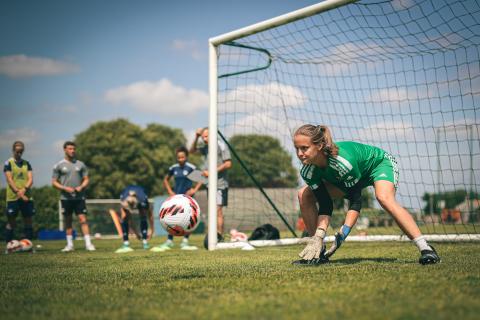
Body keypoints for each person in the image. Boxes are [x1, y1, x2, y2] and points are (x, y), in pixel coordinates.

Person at [292, 124, 440, 265]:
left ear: (319, 146)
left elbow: (355, 200)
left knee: (384, 198)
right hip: (352, 176)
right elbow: (325, 203)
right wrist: (319, 235)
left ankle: (425, 248)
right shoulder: (307, 171)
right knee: (304, 194)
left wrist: (343, 233)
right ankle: (317, 250)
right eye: (296, 148)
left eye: (304, 148)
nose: (299, 154)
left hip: (377, 164)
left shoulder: (342, 163)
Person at [151, 147, 202, 252]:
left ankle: (185, 241)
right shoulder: (173, 168)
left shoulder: (191, 167)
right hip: (176, 199)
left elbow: (201, 178)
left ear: (186, 157)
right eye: (178, 157)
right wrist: (170, 191)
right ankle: (169, 241)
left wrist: (194, 189)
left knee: (188, 220)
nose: (180, 159)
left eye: (182, 157)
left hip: (188, 199)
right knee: (171, 218)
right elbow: (165, 180)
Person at [52, 141, 95, 252]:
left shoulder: (81, 164)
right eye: (70, 149)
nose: (72, 151)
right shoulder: (59, 165)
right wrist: (65, 188)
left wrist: (81, 186)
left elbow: (86, 179)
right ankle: (69, 245)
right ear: (65, 150)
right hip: (66, 198)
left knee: (83, 219)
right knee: (68, 221)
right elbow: (54, 182)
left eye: (74, 149)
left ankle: (88, 244)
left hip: (79, 198)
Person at [190, 127, 232, 243]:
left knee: (218, 211)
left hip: (220, 184)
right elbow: (191, 151)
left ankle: (220, 237)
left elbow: (228, 163)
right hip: (209, 185)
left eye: (206, 136)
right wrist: (196, 137)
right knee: (212, 211)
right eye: (203, 137)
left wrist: (212, 171)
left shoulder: (221, 145)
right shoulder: (205, 147)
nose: (204, 139)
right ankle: (214, 237)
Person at [3, 141, 35, 252]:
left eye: (21, 152)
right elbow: (9, 179)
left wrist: (24, 190)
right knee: (12, 222)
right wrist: (19, 193)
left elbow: (30, 179)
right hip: (13, 197)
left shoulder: (27, 163)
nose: (19, 154)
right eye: (17, 152)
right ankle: (9, 246)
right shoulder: (8, 163)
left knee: (28, 220)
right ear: (13, 151)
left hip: (27, 197)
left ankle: (29, 246)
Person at [115, 185, 154, 253]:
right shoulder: (123, 198)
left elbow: (150, 214)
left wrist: (152, 230)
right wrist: (136, 233)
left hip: (140, 196)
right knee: (124, 217)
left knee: (143, 215)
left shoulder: (143, 198)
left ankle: (145, 241)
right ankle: (126, 243)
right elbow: (129, 218)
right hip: (126, 195)